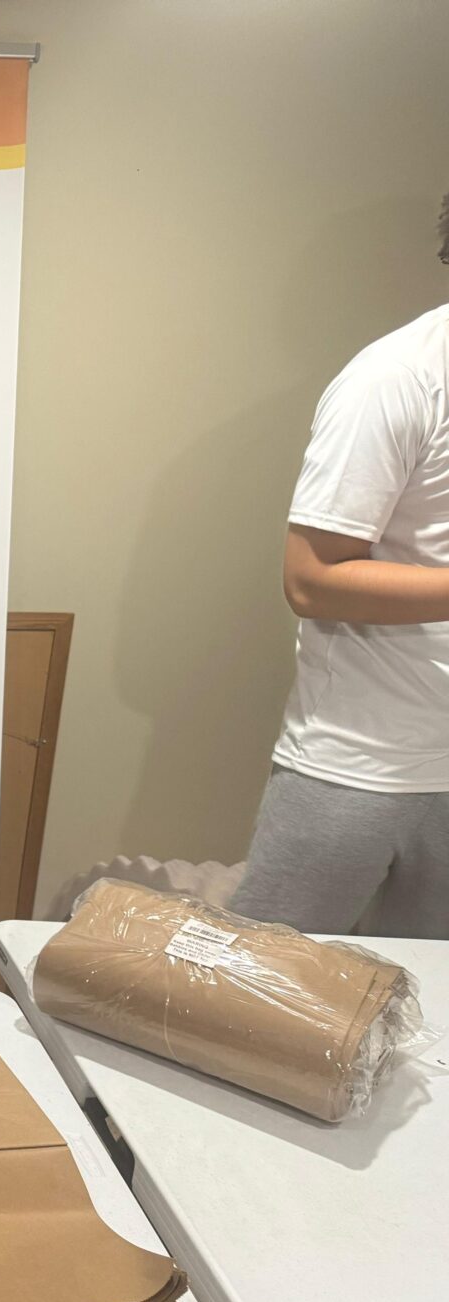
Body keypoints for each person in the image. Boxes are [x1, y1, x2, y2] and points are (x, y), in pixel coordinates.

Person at [230, 199, 449, 938]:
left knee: (434, 1005)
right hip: (360, 764)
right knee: (258, 987)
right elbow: (312, 578)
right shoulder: (398, 377)